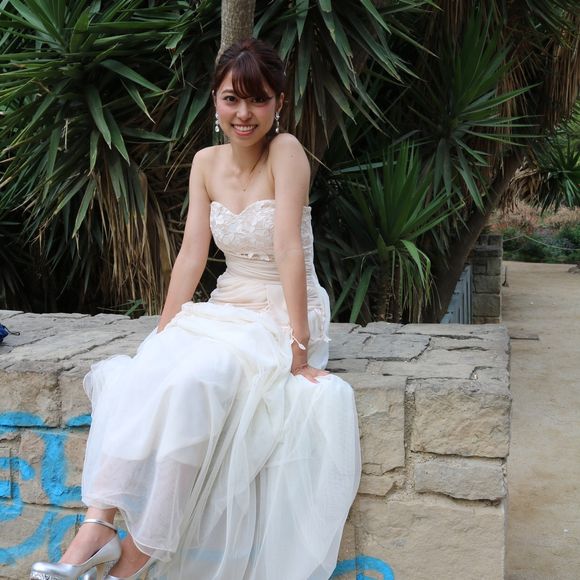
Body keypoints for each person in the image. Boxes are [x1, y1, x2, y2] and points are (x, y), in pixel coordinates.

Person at [30, 38, 361, 580]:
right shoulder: (205, 162)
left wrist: (299, 349)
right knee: (144, 373)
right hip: (227, 305)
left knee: (195, 383)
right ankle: (96, 527)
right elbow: (191, 254)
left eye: (257, 100)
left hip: (280, 310)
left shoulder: (287, 152)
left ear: (278, 102)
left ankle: (134, 557)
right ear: (215, 101)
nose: (244, 113)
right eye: (232, 99)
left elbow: (287, 250)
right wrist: (164, 332)